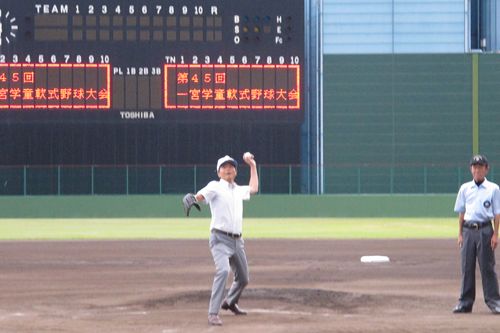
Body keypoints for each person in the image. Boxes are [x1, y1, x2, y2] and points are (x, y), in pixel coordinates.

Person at [182, 153, 259, 325]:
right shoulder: (215, 186)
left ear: (236, 171)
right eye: (224, 167)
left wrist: (253, 165)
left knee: (244, 278)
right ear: (218, 172)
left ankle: (230, 302)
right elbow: (201, 196)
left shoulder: (239, 190)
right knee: (223, 270)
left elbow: (253, 187)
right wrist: (194, 198)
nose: (228, 169)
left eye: (231, 166)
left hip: (237, 241)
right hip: (219, 239)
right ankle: (213, 313)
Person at [453, 154, 500, 314]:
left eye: (480, 167)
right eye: (475, 166)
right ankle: (465, 303)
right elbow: (461, 212)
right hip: (468, 230)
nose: (477, 169)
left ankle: (494, 302)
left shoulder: (493, 188)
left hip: (485, 229)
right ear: (471, 169)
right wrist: (459, 234)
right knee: (467, 266)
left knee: (487, 267)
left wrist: (495, 234)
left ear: (486, 169)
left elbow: (496, 213)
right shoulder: (465, 188)